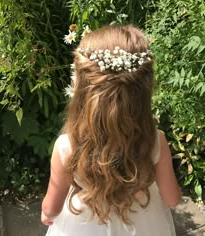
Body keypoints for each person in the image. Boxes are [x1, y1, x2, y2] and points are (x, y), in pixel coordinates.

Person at [41, 24, 181, 236]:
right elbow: (172, 199)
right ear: (143, 92)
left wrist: (46, 215)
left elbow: (51, 208)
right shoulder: (155, 140)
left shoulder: (66, 147)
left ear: (81, 88)